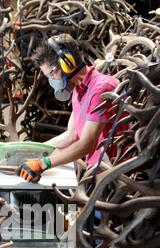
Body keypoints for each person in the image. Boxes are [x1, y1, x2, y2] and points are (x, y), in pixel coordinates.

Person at [17, 34, 119, 182]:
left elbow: (86, 144)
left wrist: (43, 163)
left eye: (52, 74)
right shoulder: (78, 90)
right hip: (97, 173)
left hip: (115, 174)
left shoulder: (101, 89)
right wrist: (32, 150)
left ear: (67, 63)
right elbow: (71, 135)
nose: (51, 81)